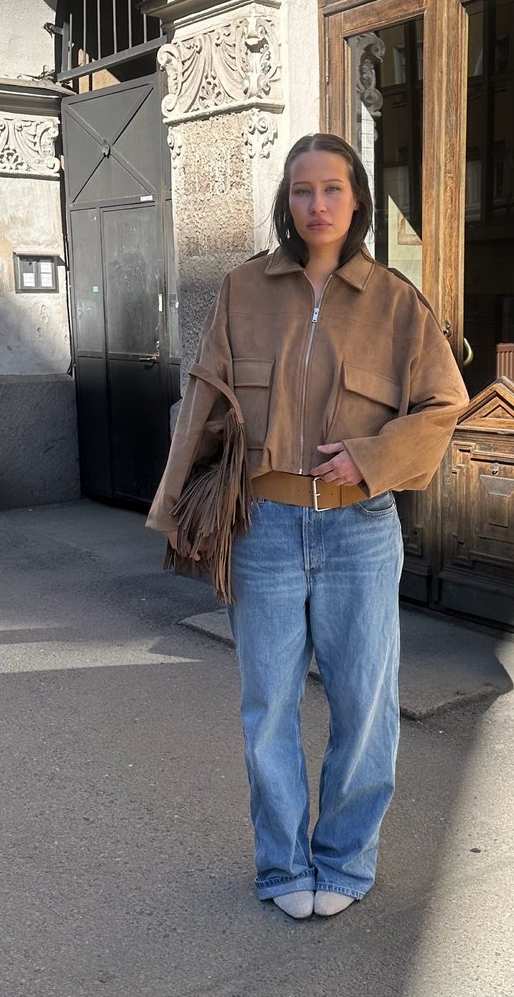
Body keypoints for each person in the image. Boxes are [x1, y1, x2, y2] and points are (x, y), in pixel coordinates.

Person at [147, 133, 469, 919]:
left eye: (332, 189)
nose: (317, 204)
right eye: (302, 191)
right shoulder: (242, 289)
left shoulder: (395, 301)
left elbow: (444, 403)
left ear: (356, 198)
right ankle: (283, 863)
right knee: (269, 706)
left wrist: (371, 456)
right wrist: (176, 509)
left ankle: (346, 860)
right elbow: (206, 406)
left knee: (364, 705)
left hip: (359, 529)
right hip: (263, 527)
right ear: (286, 202)